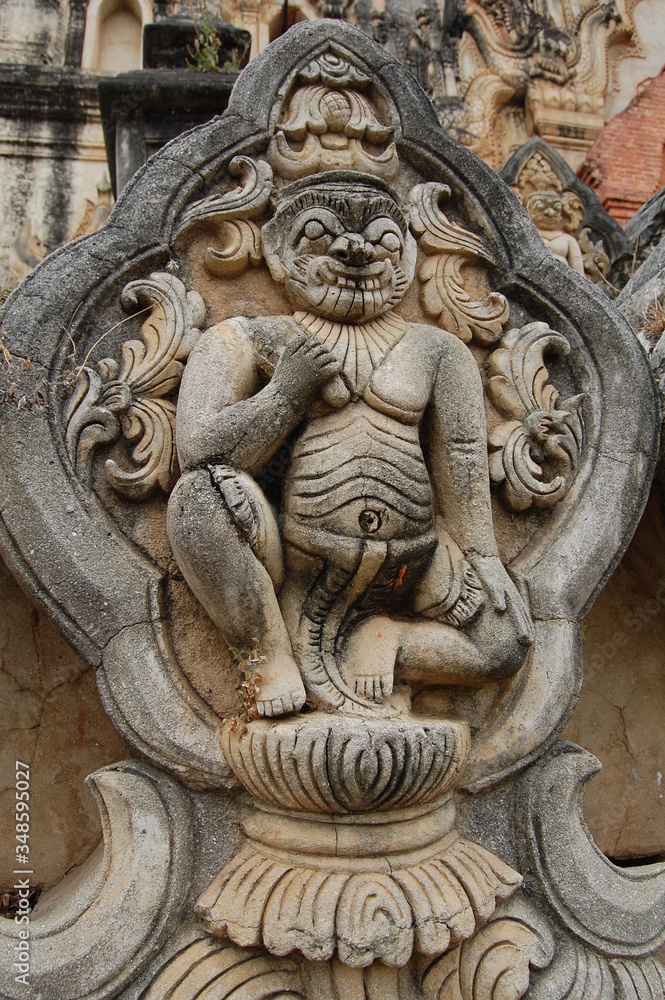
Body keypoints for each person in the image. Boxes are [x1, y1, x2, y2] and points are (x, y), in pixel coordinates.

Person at [167, 172, 533, 718]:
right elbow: (198, 450)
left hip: (414, 559)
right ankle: (265, 652)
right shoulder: (249, 337)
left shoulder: (438, 350)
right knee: (195, 501)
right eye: (320, 234)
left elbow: (460, 458)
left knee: (506, 641)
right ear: (278, 252)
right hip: (297, 552)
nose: (355, 251)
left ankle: (390, 639)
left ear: (406, 258)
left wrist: (483, 556)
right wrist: (285, 396)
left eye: (382, 238)